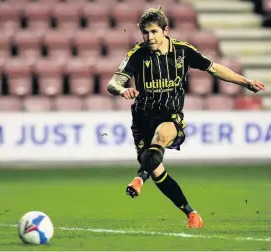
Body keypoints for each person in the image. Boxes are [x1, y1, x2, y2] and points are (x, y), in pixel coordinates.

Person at [107, 7, 266, 228]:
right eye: (145, 32)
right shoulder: (137, 54)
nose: (149, 37)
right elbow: (112, 83)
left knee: (161, 136)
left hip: (170, 115)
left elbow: (214, 68)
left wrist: (245, 82)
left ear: (165, 30)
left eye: (154, 31)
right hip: (142, 118)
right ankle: (192, 214)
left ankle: (138, 180)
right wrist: (122, 90)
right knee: (156, 169)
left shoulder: (183, 51)